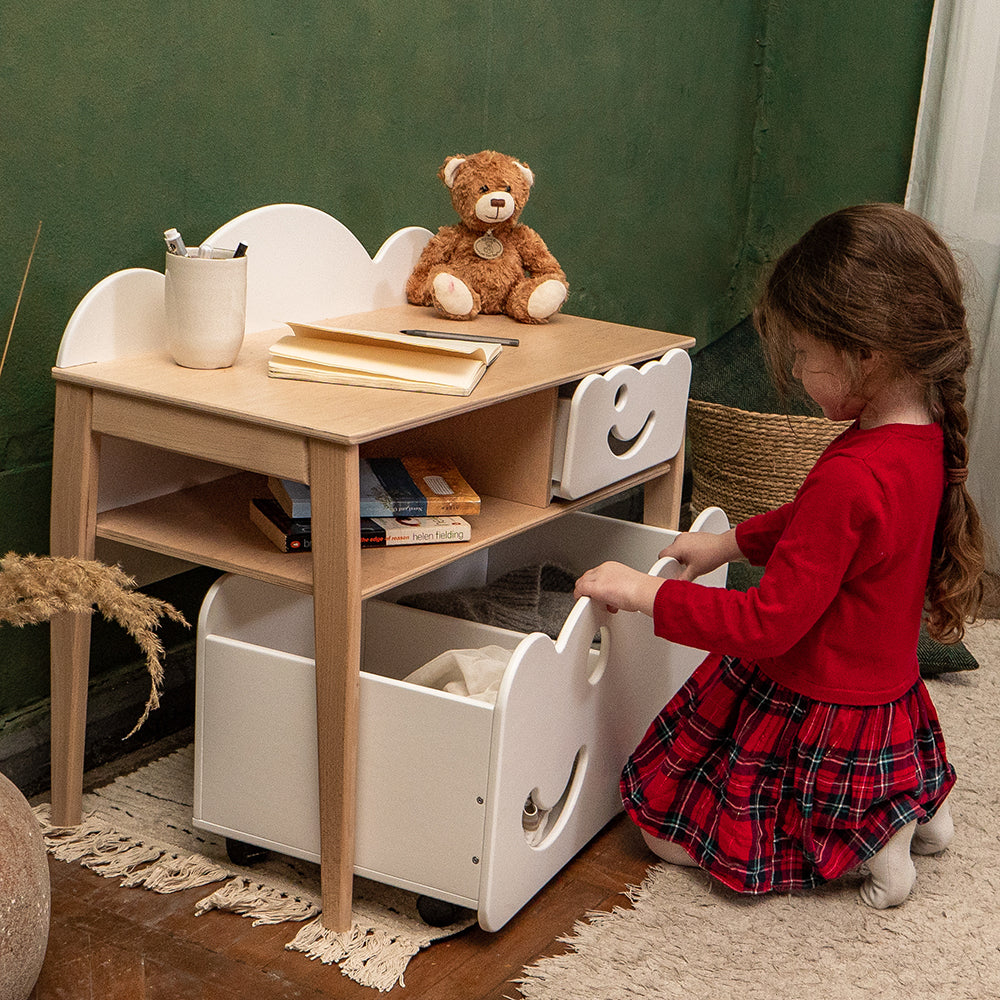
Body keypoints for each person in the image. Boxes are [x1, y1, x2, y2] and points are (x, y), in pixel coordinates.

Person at [574, 203, 984, 908]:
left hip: (821, 697)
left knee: (663, 829)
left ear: (867, 351)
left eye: (801, 353)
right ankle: (913, 811)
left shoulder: (853, 470)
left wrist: (645, 595)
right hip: (885, 696)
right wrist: (728, 542)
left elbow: (767, 626)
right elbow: (816, 528)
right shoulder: (923, 434)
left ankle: (878, 838)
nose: (792, 371)